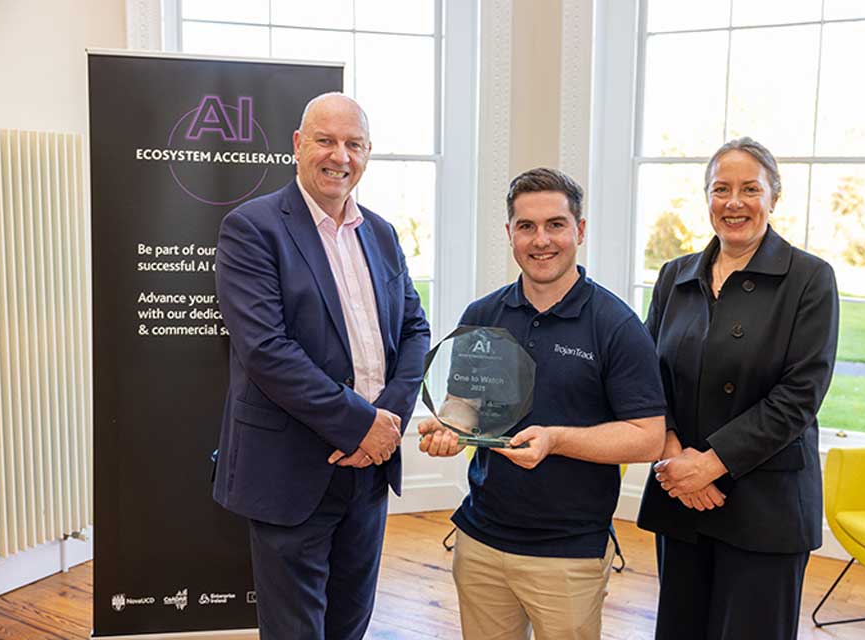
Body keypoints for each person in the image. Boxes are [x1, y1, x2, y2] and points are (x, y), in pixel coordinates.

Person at [212, 92, 430, 640]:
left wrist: (386, 423)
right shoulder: (252, 228)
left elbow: (414, 332)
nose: (340, 156)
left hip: (370, 467)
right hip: (291, 466)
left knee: (351, 620)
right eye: (326, 141)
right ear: (297, 146)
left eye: (353, 144)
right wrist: (360, 424)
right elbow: (266, 350)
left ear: (368, 152)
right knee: (295, 630)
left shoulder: (380, 232)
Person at [418, 167, 666, 640]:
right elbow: (464, 404)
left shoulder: (615, 326)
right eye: (526, 226)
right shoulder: (483, 315)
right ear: (509, 233)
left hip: (567, 553)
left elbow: (649, 437)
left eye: (555, 224)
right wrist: (449, 430)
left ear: (580, 231)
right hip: (481, 541)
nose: (541, 240)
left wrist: (555, 439)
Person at [636, 137, 839, 640]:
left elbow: (800, 396)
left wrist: (710, 464)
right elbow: (644, 377)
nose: (734, 202)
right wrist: (673, 453)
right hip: (680, 491)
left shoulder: (810, 279)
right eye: (720, 189)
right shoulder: (674, 276)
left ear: (774, 196)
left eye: (750, 189)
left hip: (765, 505)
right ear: (706, 197)